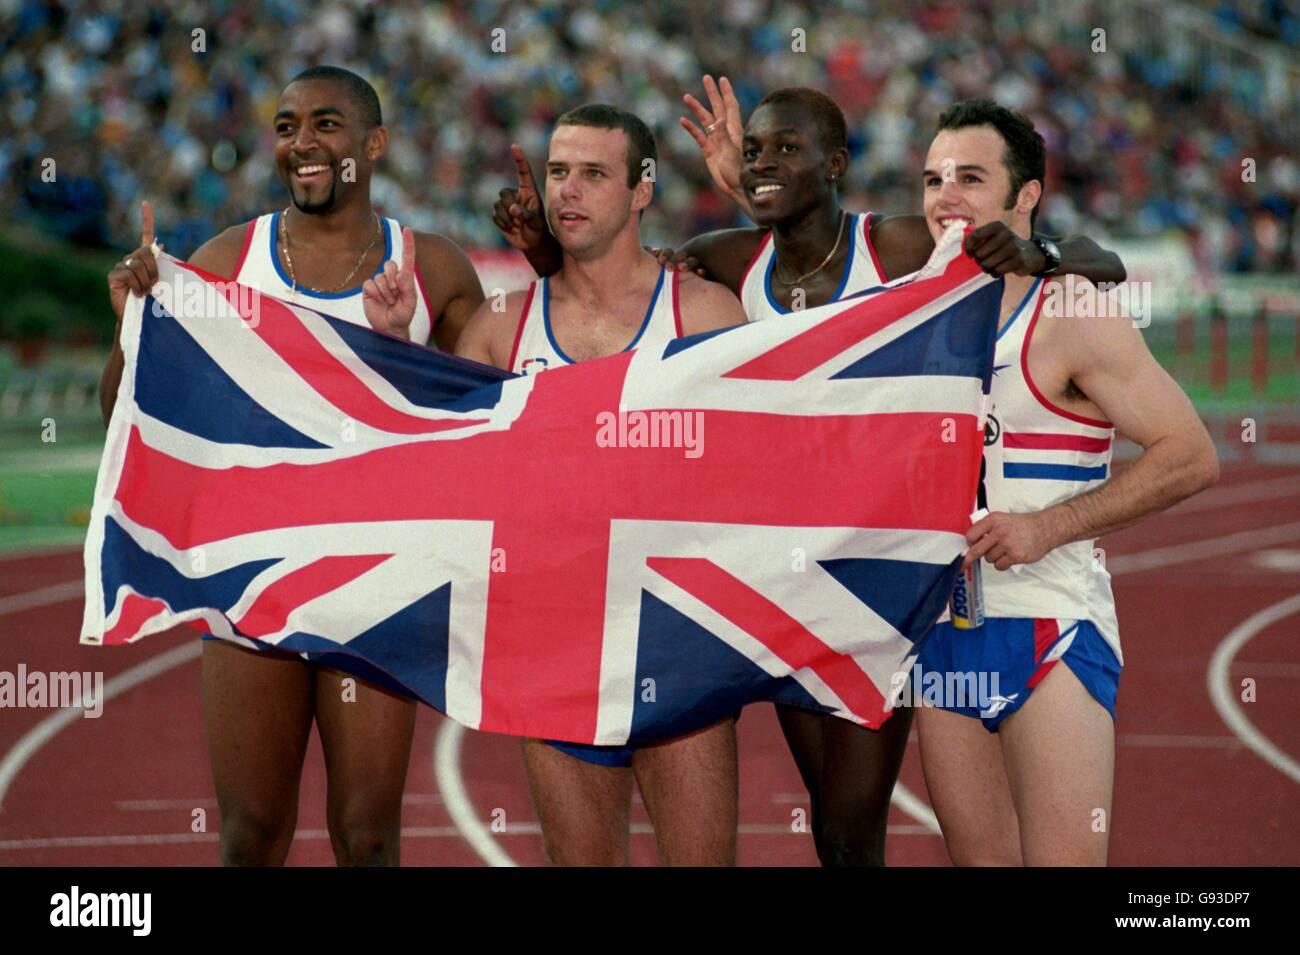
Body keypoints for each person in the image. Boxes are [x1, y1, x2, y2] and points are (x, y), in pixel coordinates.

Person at [494, 78, 1129, 867]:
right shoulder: (724, 261)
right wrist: (541, 249)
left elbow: (1103, 265)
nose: (762, 163)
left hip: (882, 573)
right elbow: (618, 283)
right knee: (830, 821)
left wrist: (1040, 252)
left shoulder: (893, 246)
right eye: (754, 151)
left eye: (787, 150)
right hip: (785, 581)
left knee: (852, 823)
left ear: (835, 164)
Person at [100, 65, 485, 866]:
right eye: (285, 127)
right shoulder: (224, 261)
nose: (301, 144)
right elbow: (128, 416)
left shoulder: (436, 269)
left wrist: (400, 349)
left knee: (370, 838)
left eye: (325, 125)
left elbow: (493, 420)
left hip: (379, 583)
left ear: (373, 144)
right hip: (255, 579)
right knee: (250, 836)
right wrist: (131, 326)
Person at [910, 99, 1219, 865]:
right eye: (932, 179)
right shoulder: (906, 307)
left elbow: (1190, 453)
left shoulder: (1074, 309)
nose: (946, 196)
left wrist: (1046, 528)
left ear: (1025, 196)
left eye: (971, 178)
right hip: (938, 632)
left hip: (1051, 625)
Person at [455, 104, 749, 866]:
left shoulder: (705, 314)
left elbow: (749, 483)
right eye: (558, 172)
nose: (568, 192)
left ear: (643, 190)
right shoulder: (496, 331)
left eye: (593, 173)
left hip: (678, 641)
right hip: (554, 647)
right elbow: (448, 486)